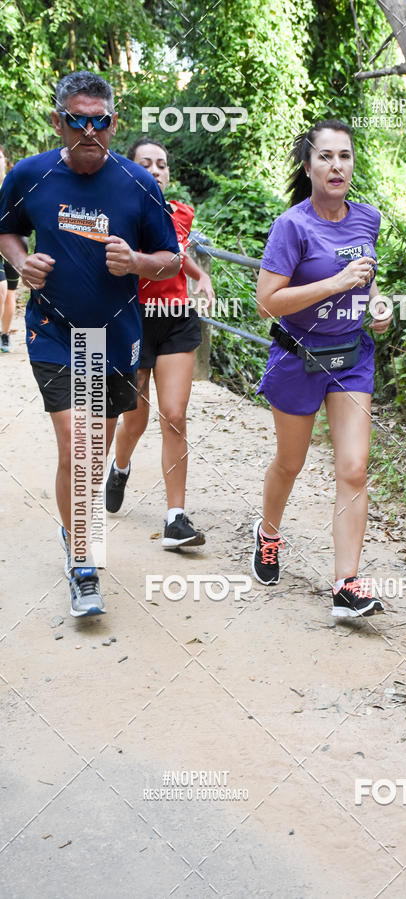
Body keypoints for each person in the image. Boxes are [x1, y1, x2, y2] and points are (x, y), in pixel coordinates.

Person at [0, 71, 180, 617]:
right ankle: (83, 562)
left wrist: (138, 262)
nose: (88, 130)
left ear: (113, 124)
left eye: (99, 120)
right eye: (77, 119)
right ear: (58, 121)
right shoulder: (29, 175)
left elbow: (170, 256)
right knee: (77, 448)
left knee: (90, 454)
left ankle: (71, 531)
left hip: (116, 337)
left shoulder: (138, 183)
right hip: (54, 331)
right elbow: (6, 230)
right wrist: (20, 262)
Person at [252, 119, 393, 618]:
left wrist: (376, 304)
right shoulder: (292, 225)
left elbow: (367, 279)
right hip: (298, 358)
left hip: (350, 359)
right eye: (326, 157)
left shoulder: (368, 218)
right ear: (308, 166)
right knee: (290, 463)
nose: (337, 166)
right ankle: (269, 532)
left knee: (354, 468)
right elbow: (267, 303)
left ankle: (346, 585)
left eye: (345, 156)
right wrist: (334, 284)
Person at [105, 139, 214, 549]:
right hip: (132, 320)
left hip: (174, 319)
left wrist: (200, 276)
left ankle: (175, 519)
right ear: (129, 169)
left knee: (174, 415)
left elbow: (176, 252)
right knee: (135, 417)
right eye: (145, 163)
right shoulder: (115, 211)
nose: (155, 170)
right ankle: (121, 466)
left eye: (162, 164)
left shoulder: (181, 213)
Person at [0, 145, 19, 352]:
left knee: (10, 292)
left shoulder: (13, 184)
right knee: (1, 288)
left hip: (13, 243)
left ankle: (4, 335)